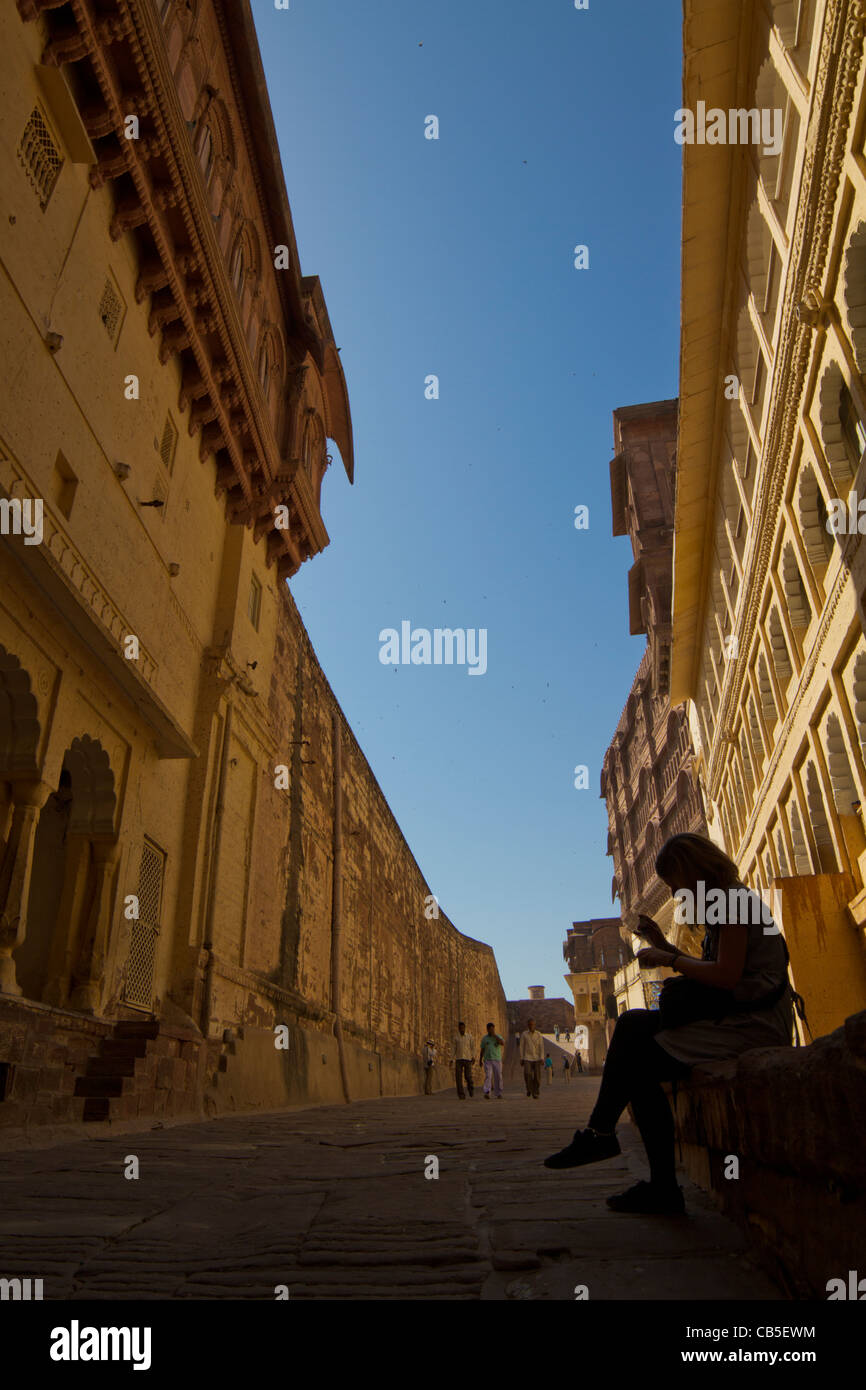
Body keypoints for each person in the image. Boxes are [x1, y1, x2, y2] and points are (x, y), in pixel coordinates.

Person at [543, 833, 794, 1214]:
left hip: (751, 1024)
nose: (677, 893)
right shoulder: (727, 903)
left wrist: (670, 959)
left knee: (633, 1035)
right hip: (734, 1017)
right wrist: (664, 946)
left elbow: (726, 977)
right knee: (635, 1044)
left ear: (693, 873)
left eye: (677, 884)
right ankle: (639, 1166)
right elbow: (720, 972)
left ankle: (607, 1138)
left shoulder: (732, 901)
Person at [519, 1017, 544, 1098]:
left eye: (532, 1024)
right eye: (529, 1025)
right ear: (527, 1025)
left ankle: (535, 1091)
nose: (531, 1026)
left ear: (534, 1025)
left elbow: (541, 1047)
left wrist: (542, 1058)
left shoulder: (539, 1034)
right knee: (527, 1074)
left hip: (537, 1058)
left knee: (537, 1076)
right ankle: (530, 1089)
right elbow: (521, 1046)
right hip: (527, 1058)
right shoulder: (524, 1034)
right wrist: (521, 1058)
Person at [480, 1022, 505, 1099]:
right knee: (488, 1076)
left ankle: (498, 1092)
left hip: (497, 1059)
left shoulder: (498, 1037)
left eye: (493, 1029)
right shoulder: (485, 1039)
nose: (492, 1030)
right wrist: (480, 1059)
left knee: (498, 1076)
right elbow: (482, 1049)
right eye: (490, 1029)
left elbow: (502, 1043)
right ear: (487, 1030)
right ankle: (487, 1091)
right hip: (488, 1060)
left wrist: (495, 1036)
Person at [452, 1021, 474, 1099]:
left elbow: (472, 1047)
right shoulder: (456, 1038)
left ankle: (470, 1087)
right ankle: (461, 1094)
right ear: (458, 1029)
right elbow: (453, 1048)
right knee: (458, 1077)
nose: (461, 1029)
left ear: (465, 1028)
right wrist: (451, 1058)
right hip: (459, 1059)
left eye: (463, 1028)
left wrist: (473, 1056)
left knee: (468, 1076)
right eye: (460, 1028)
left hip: (467, 1059)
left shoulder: (469, 1037)